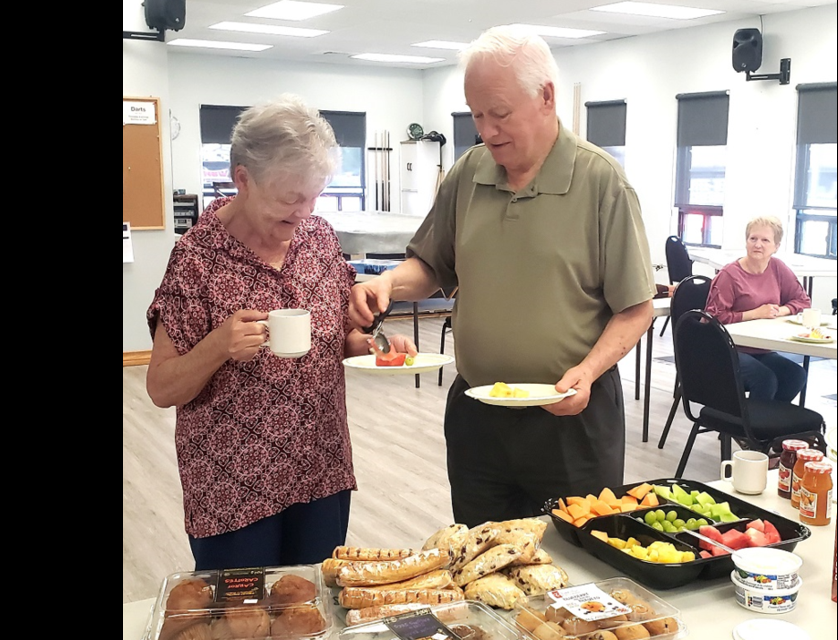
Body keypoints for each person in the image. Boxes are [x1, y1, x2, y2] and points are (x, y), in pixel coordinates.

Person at [348, 27, 656, 527]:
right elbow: (430, 265)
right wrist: (387, 285)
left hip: (570, 419)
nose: (487, 131)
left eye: (500, 113)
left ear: (547, 96)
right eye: (476, 115)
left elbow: (636, 307)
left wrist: (590, 371)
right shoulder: (468, 173)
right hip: (478, 415)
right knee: (479, 561)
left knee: (572, 573)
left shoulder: (602, 183)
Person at [146, 95, 415, 570]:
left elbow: (341, 340)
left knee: (314, 610)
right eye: (290, 198)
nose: (303, 212)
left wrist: (376, 348)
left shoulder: (319, 237)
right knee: (241, 619)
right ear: (242, 179)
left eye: (315, 196)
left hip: (321, 468)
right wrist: (216, 347)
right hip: (233, 483)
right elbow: (162, 387)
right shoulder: (196, 258)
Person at [704, 216, 811, 402]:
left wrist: (780, 310)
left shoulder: (777, 268)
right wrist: (755, 313)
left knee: (796, 375)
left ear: (776, 246)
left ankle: (771, 425)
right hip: (725, 349)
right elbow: (712, 317)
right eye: (753, 239)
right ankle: (749, 428)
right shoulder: (730, 274)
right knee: (765, 379)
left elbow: (802, 300)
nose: (758, 245)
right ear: (746, 241)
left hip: (761, 348)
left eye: (765, 240)